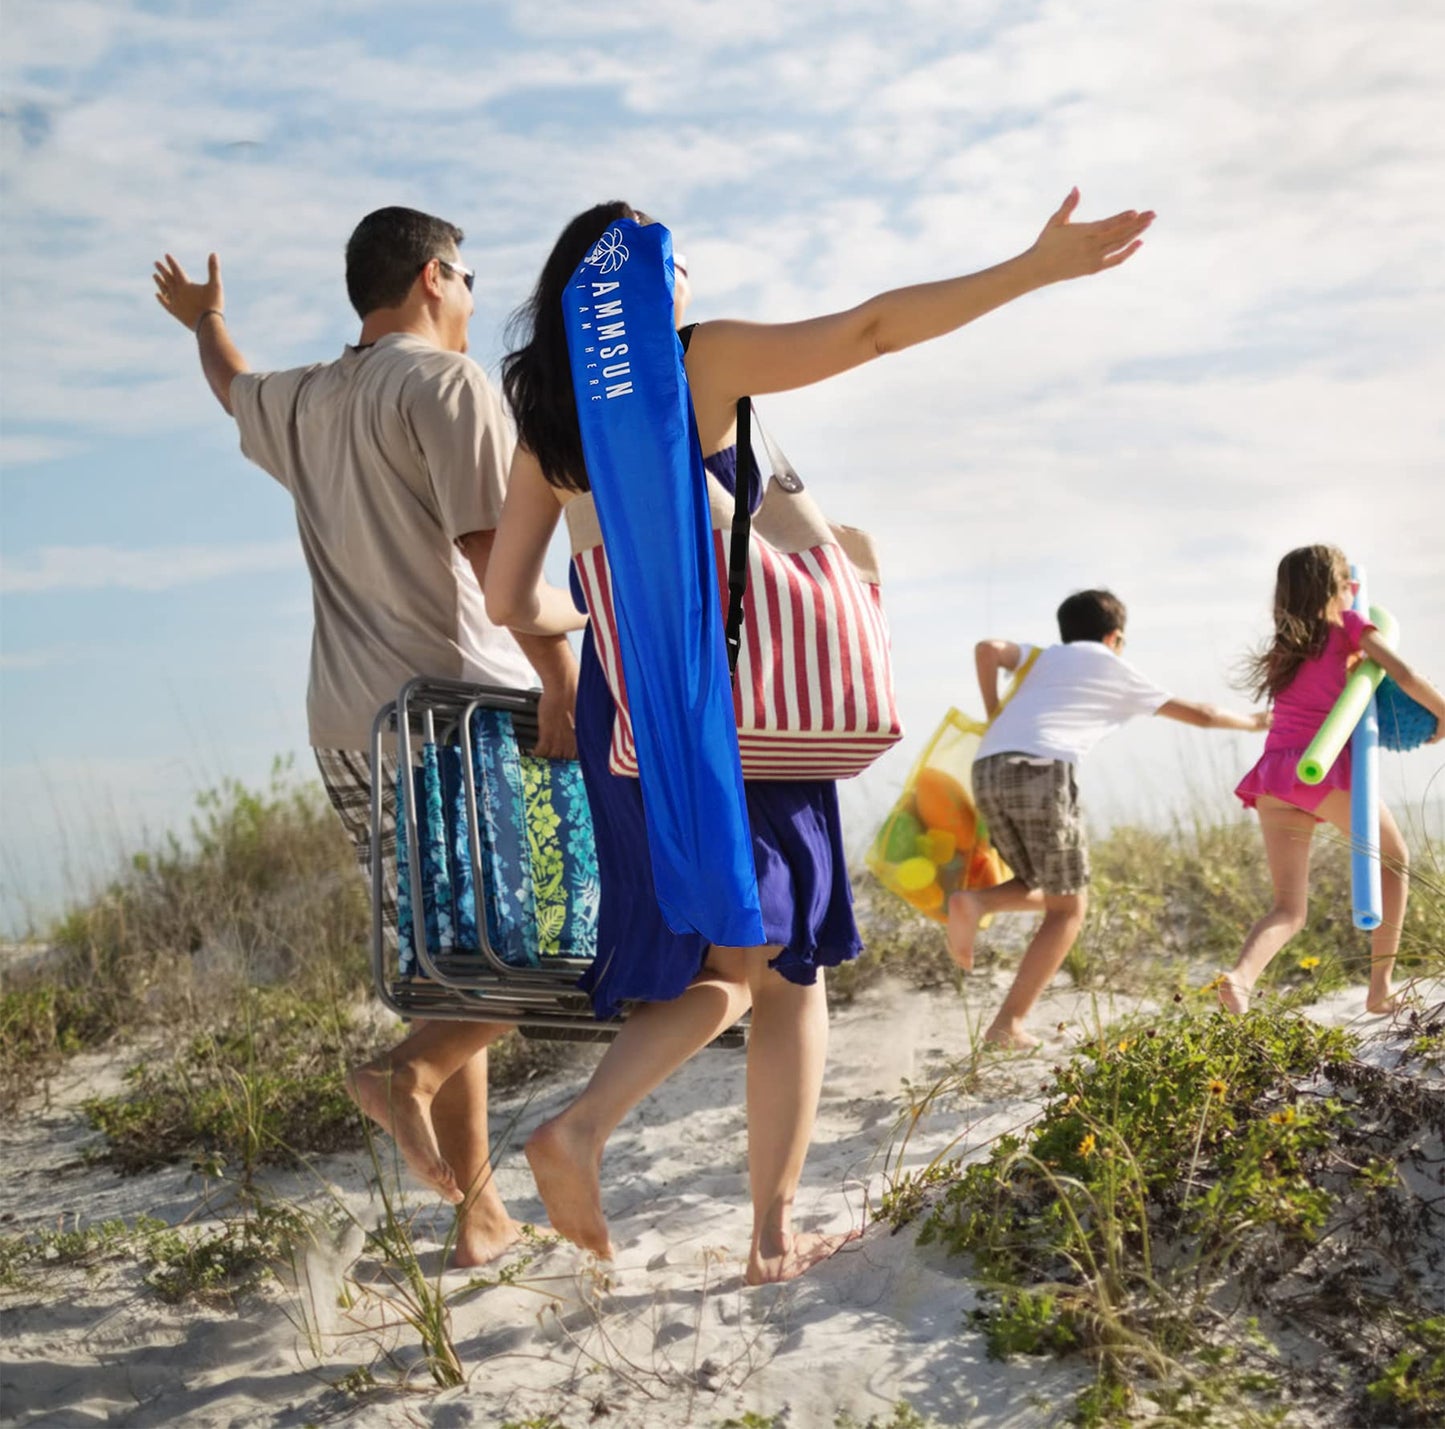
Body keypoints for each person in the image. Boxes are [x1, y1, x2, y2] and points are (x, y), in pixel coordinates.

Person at [485, 189, 1155, 1282]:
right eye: (676, 254)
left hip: (631, 716)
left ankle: (618, 1146)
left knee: (726, 964)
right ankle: (731, 1215)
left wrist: (609, 612)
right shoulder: (691, 361)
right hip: (735, 708)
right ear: (648, 283)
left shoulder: (552, 418)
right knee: (782, 970)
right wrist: (1029, 269)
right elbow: (870, 328)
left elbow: (513, 595)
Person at [152, 206, 581, 1267]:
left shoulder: (300, 397)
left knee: (457, 968)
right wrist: (566, 682)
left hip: (351, 726)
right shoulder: (444, 386)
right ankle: (409, 1074)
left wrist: (206, 321)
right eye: (470, 277)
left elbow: (227, 385)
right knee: (563, 938)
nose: (477, 298)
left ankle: (477, 1213)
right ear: (435, 276)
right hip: (460, 710)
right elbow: (502, 568)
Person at [947, 589, 1269, 1047]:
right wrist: (1255, 723)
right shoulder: (1111, 664)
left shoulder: (1043, 658)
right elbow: (1202, 714)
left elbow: (987, 649)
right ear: (1115, 637)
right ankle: (1007, 1024)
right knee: (1069, 910)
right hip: (1044, 769)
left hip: (987, 768)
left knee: (1040, 883)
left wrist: (994, 711)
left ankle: (978, 903)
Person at [1220, 545, 1445, 1014]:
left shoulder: (1286, 646)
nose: (1354, 592)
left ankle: (1240, 979)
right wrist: (1443, 716)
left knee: (1289, 909)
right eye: (1348, 584)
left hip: (1275, 778)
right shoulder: (1348, 628)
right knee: (1396, 860)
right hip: (1319, 770)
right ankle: (1380, 987)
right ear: (1337, 589)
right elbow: (1403, 673)